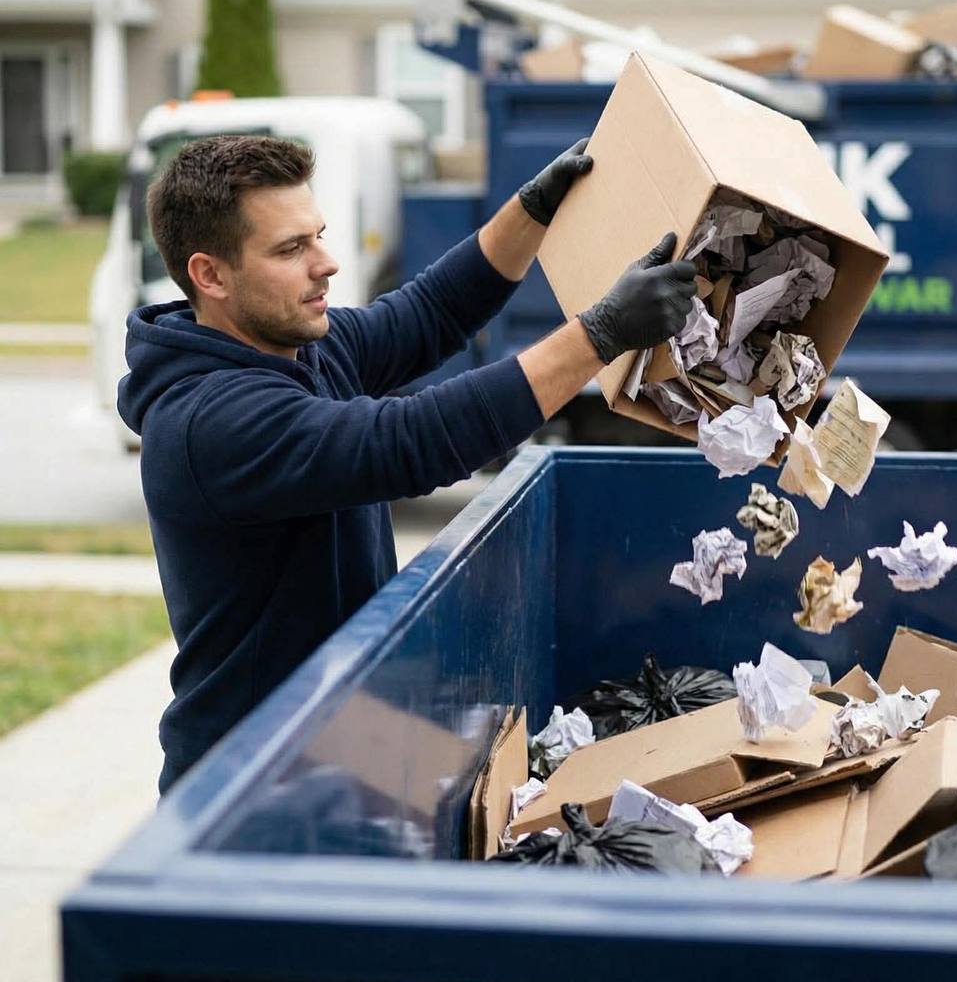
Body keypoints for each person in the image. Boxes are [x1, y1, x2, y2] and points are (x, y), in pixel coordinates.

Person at [118, 134, 698, 794]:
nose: (326, 263)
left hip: (339, 737)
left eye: (318, 235)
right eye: (291, 249)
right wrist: (600, 335)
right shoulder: (210, 421)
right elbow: (409, 442)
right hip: (251, 778)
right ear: (210, 275)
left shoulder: (297, 348)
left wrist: (533, 207)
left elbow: (429, 312)